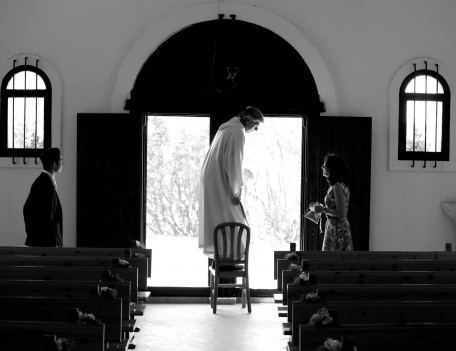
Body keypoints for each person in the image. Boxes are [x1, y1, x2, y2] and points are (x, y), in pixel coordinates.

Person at [198, 106, 264, 256]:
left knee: (220, 216)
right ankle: (229, 256)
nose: (256, 129)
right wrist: (236, 191)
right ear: (247, 120)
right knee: (233, 216)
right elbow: (233, 162)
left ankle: (222, 253)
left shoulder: (226, 128)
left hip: (212, 177)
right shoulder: (237, 131)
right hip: (221, 179)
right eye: (256, 125)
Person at [23, 147, 64, 247]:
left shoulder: (45, 181)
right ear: (54, 164)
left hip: (46, 243)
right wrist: (52, 241)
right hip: (46, 244)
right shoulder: (44, 183)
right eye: (61, 161)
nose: (62, 164)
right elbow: (45, 215)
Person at [313, 153, 353, 251]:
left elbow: (342, 213)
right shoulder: (340, 185)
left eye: (325, 164)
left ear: (332, 167)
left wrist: (323, 209)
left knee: (332, 262)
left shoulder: (337, 187)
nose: (323, 167)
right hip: (337, 227)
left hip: (337, 229)